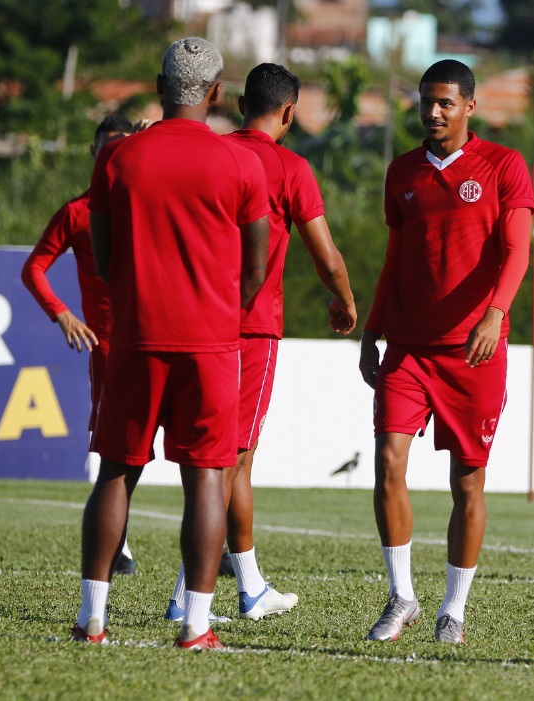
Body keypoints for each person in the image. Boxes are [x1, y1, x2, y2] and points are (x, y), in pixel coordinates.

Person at [71, 37, 270, 650]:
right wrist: (219, 312)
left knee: (116, 471)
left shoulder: (119, 159)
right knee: (207, 477)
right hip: (211, 342)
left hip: (134, 336)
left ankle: (92, 620)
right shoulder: (242, 163)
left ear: (160, 89)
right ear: (216, 95)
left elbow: (102, 256)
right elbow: (256, 266)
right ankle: (196, 626)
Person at [164, 62, 358, 623]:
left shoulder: (213, 154)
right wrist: (346, 302)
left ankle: (250, 588)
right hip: (250, 328)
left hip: (197, 321)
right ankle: (185, 599)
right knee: (225, 463)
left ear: (238, 102)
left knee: (230, 461)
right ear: (289, 112)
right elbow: (326, 255)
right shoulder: (289, 167)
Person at [358, 59, 534, 643]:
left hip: (474, 352)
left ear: (469, 108)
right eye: (427, 102)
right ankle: (401, 596)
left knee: (468, 483)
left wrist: (493, 314)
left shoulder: (504, 166)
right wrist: (372, 329)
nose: (433, 113)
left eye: (445, 104)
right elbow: (393, 258)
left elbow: (516, 252)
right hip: (407, 347)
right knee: (388, 461)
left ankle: (452, 608)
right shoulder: (401, 172)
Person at [21, 115, 141, 577]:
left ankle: (226, 556)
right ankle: (120, 546)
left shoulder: (146, 201)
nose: (114, 154)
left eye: (123, 146)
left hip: (163, 336)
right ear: (95, 155)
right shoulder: (77, 213)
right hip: (110, 346)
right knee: (114, 445)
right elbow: (34, 268)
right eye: (107, 147)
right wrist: (63, 313)